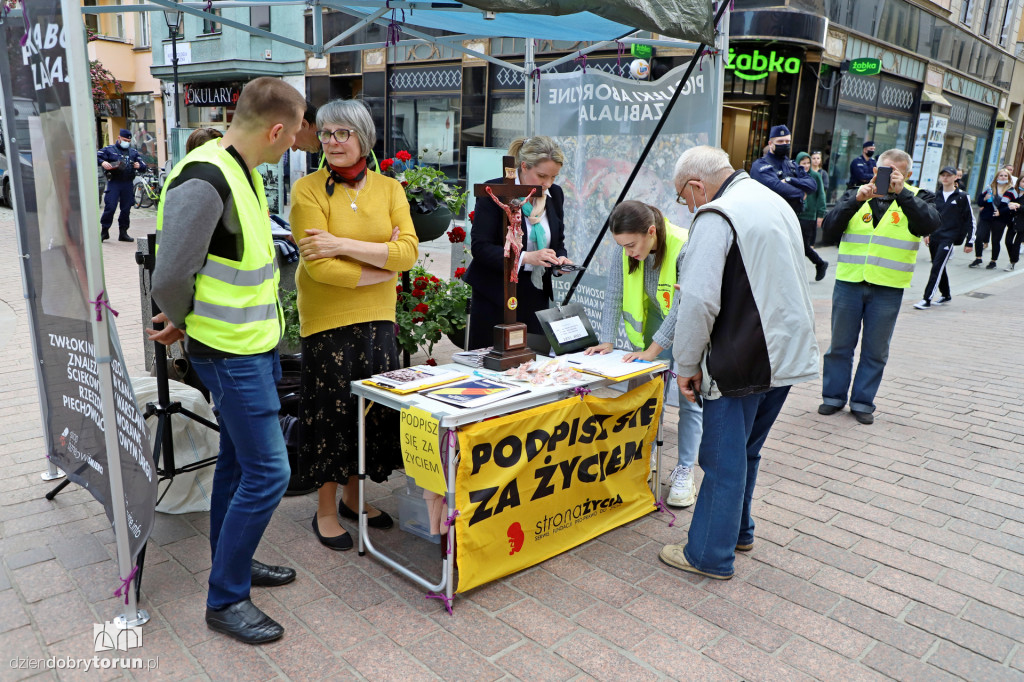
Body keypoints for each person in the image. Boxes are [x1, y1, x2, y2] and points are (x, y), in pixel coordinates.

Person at [148, 77, 307, 644]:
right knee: (270, 473)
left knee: (239, 463)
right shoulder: (207, 176)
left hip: (253, 345)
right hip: (230, 351)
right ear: (276, 129)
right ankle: (226, 598)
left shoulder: (237, 168)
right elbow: (169, 275)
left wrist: (185, 315)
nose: (291, 147)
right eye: (291, 138)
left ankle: (232, 562)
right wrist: (184, 319)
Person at [658, 146, 818, 580]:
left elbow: (697, 300)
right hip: (784, 354)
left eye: (682, 197)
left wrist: (686, 363)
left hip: (743, 359)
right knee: (746, 451)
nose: (686, 206)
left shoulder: (717, 214)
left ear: (696, 185)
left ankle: (709, 553)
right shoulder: (773, 200)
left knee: (722, 458)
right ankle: (739, 531)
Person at [289, 99, 418, 552]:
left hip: (378, 321)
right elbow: (318, 266)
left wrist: (342, 244)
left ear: (363, 136)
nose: (332, 142)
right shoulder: (307, 189)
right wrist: (381, 268)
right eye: (325, 134)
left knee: (370, 412)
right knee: (332, 412)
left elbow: (409, 254)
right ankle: (325, 510)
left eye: (343, 133)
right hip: (327, 321)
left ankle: (354, 499)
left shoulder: (389, 189)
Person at [584, 200, 702, 508]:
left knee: (689, 396)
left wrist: (654, 349)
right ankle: (643, 457)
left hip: (686, 328)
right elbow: (614, 292)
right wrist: (607, 340)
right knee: (647, 394)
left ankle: (685, 469)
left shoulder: (685, 244)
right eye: (622, 245)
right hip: (652, 326)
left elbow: (682, 304)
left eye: (632, 245)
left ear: (651, 232)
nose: (627, 252)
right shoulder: (625, 247)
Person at [819, 149, 939, 424]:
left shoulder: (918, 196)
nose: (888, 176)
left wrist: (903, 194)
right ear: (874, 169)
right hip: (849, 282)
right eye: (884, 170)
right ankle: (833, 397)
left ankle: (862, 401)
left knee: (875, 350)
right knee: (839, 345)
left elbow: (930, 224)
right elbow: (829, 229)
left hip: (888, 287)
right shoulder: (856, 193)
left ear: (908, 174)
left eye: (896, 171)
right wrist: (856, 199)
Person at [464, 136, 572, 349]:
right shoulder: (494, 191)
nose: (547, 184)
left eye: (553, 177)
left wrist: (559, 260)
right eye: (542, 176)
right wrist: (526, 258)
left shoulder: (555, 194)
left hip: (535, 290)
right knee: (490, 361)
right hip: (495, 292)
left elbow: (557, 240)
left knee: (532, 360)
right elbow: (480, 247)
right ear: (523, 166)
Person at [914, 166, 975, 309]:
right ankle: (946, 294)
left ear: (956, 178)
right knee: (939, 266)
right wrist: (926, 233)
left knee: (937, 267)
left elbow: (970, 219)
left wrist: (970, 241)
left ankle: (926, 298)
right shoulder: (936, 196)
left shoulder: (962, 196)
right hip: (935, 236)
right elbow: (929, 216)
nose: (945, 178)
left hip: (949, 238)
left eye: (949, 175)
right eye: (943, 175)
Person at [750, 124, 817, 217]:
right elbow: (776, 187)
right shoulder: (760, 165)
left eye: (787, 141)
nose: (784, 144)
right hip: (768, 217)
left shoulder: (792, 164)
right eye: (780, 141)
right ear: (770, 144)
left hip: (792, 217)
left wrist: (789, 180)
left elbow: (812, 184)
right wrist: (801, 193)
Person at [97, 128, 147, 242]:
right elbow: (96, 155)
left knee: (126, 209)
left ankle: (123, 232)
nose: (127, 142)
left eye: (128, 141)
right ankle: (104, 231)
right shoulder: (109, 150)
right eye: (125, 140)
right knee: (110, 207)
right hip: (115, 182)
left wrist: (139, 166)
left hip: (127, 183)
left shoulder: (133, 152)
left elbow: (143, 165)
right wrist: (103, 162)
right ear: (119, 138)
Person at [796, 152, 829, 281]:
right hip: (795, 214)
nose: (806, 166)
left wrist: (821, 214)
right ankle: (819, 263)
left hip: (808, 216)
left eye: (808, 163)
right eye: (803, 163)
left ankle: (820, 263)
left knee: (803, 246)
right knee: (797, 245)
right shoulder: (795, 175)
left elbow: (821, 195)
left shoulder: (815, 176)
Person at [972, 169, 1013, 269]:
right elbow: (980, 202)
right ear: (997, 177)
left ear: (1008, 178)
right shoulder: (989, 188)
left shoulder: (1011, 191)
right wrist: (985, 198)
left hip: (1000, 219)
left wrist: (1001, 212)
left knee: (995, 241)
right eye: (1001, 175)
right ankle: (978, 258)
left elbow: (1012, 207)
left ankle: (993, 261)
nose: (1003, 177)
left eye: (1005, 176)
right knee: (979, 237)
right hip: (986, 217)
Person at [1003, 176, 1024, 272]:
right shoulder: (1014, 194)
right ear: (1019, 182)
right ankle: (1014, 258)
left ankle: (1012, 262)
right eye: (1023, 181)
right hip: (1012, 222)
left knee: (1017, 244)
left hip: (1022, 223)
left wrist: (1019, 206)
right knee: (1008, 241)